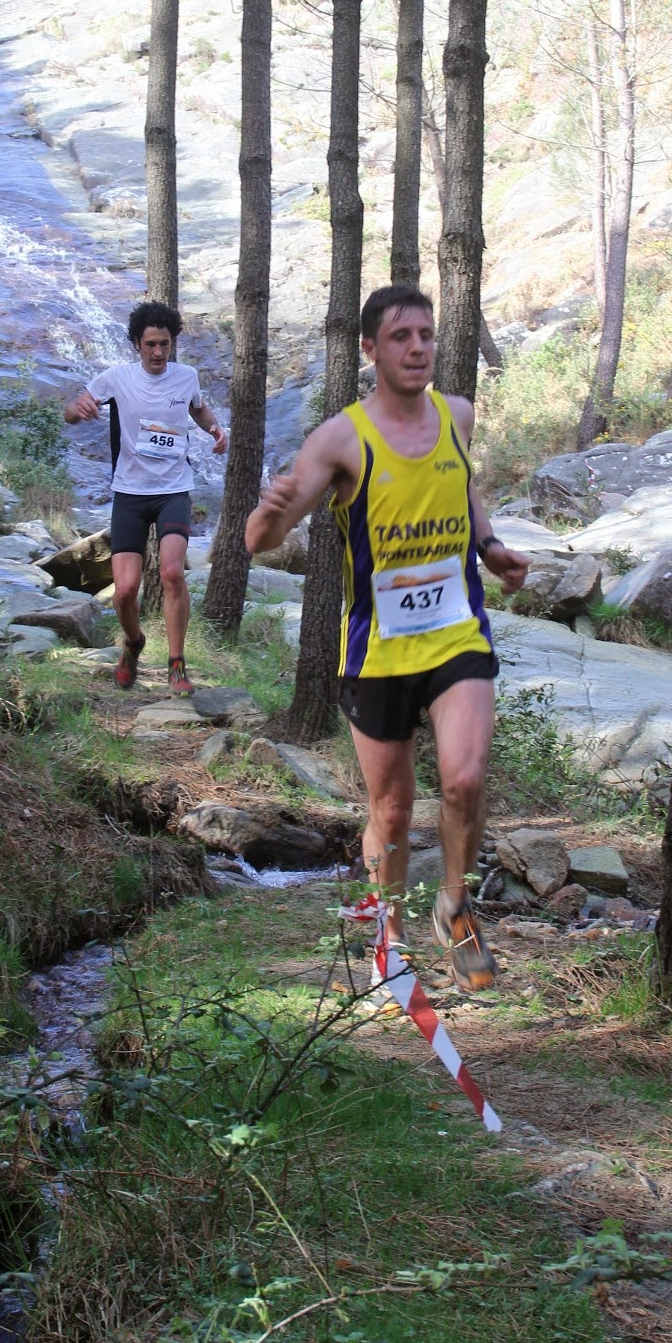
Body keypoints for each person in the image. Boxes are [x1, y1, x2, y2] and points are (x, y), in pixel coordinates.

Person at [244, 284, 528, 991]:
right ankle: (388, 942)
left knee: (463, 779)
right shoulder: (340, 438)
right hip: (377, 649)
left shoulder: (455, 414)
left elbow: (462, 486)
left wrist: (488, 545)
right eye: (400, 336)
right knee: (392, 808)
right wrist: (270, 514)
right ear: (369, 349)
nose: (417, 348)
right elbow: (259, 542)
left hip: (456, 630)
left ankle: (455, 905)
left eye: (426, 335)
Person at [65, 301, 227, 695]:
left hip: (173, 489)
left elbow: (199, 410)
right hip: (130, 493)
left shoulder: (186, 376)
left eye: (165, 344)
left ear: (173, 344)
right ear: (136, 344)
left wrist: (215, 429)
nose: (158, 352)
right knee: (124, 590)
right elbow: (70, 412)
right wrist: (78, 408)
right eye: (150, 344)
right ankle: (133, 643)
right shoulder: (115, 379)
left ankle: (176, 663)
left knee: (172, 572)